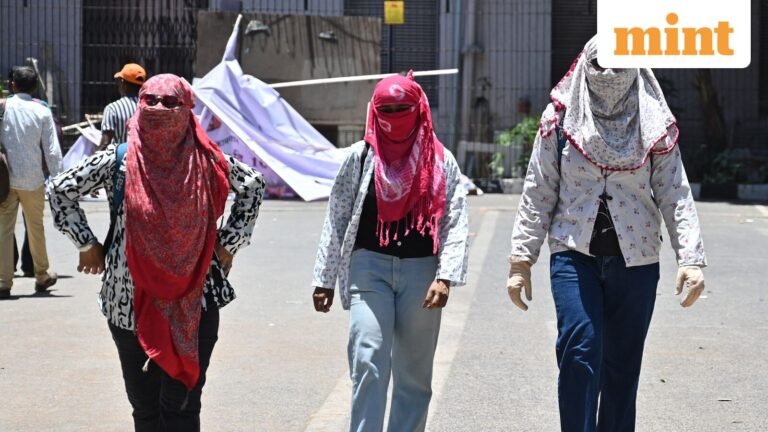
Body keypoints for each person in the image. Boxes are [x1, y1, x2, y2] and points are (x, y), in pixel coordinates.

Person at [506, 37, 707, 432]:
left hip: (637, 261)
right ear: (585, 64)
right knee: (580, 351)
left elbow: (674, 191)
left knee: (621, 366)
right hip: (573, 254)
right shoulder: (559, 119)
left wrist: (692, 258)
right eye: (602, 65)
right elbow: (538, 190)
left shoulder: (653, 121)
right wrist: (520, 262)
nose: (611, 74)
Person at [48, 74, 265, 431]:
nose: (160, 108)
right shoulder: (119, 161)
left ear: (187, 108)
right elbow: (60, 189)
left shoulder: (207, 159)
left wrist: (230, 242)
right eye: (151, 101)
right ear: (139, 105)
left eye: (170, 102)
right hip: (128, 304)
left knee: (181, 409)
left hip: (195, 302)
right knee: (146, 410)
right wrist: (86, 243)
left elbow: (253, 186)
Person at [312, 71, 469, 432]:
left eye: (403, 108)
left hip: (422, 271)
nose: (396, 116)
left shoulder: (440, 160)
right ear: (374, 111)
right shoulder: (360, 156)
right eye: (388, 109)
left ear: (419, 109)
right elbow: (336, 216)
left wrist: (445, 276)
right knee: (368, 359)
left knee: (414, 375)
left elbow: (455, 220)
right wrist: (324, 278)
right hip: (369, 268)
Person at [0, 66, 62, 299]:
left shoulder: (2, 107)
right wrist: (58, 179)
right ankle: (42, 275)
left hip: (5, 179)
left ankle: (4, 282)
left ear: (12, 85)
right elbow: (52, 150)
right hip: (33, 179)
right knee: (35, 228)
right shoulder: (42, 111)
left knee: (4, 230)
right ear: (35, 87)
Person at [97, 63, 146, 151]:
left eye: (119, 82)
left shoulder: (112, 109)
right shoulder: (148, 107)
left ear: (123, 84)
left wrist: (91, 162)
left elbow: (105, 143)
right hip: (144, 160)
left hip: (121, 161)